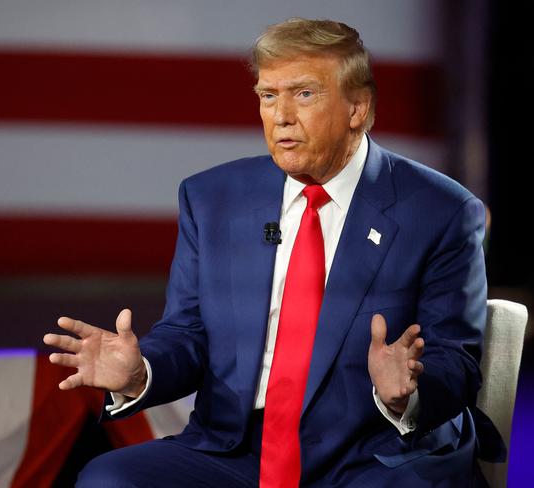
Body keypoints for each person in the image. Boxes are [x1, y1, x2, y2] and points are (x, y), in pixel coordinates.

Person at [44, 18, 492, 487]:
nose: (281, 116)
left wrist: (408, 391)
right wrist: (142, 372)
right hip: (237, 450)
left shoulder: (439, 210)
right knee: (109, 480)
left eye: (303, 94)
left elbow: (455, 359)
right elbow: (189, 333)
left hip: (374, 452)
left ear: (357, 108)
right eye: (268, 96)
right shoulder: (213, 198)